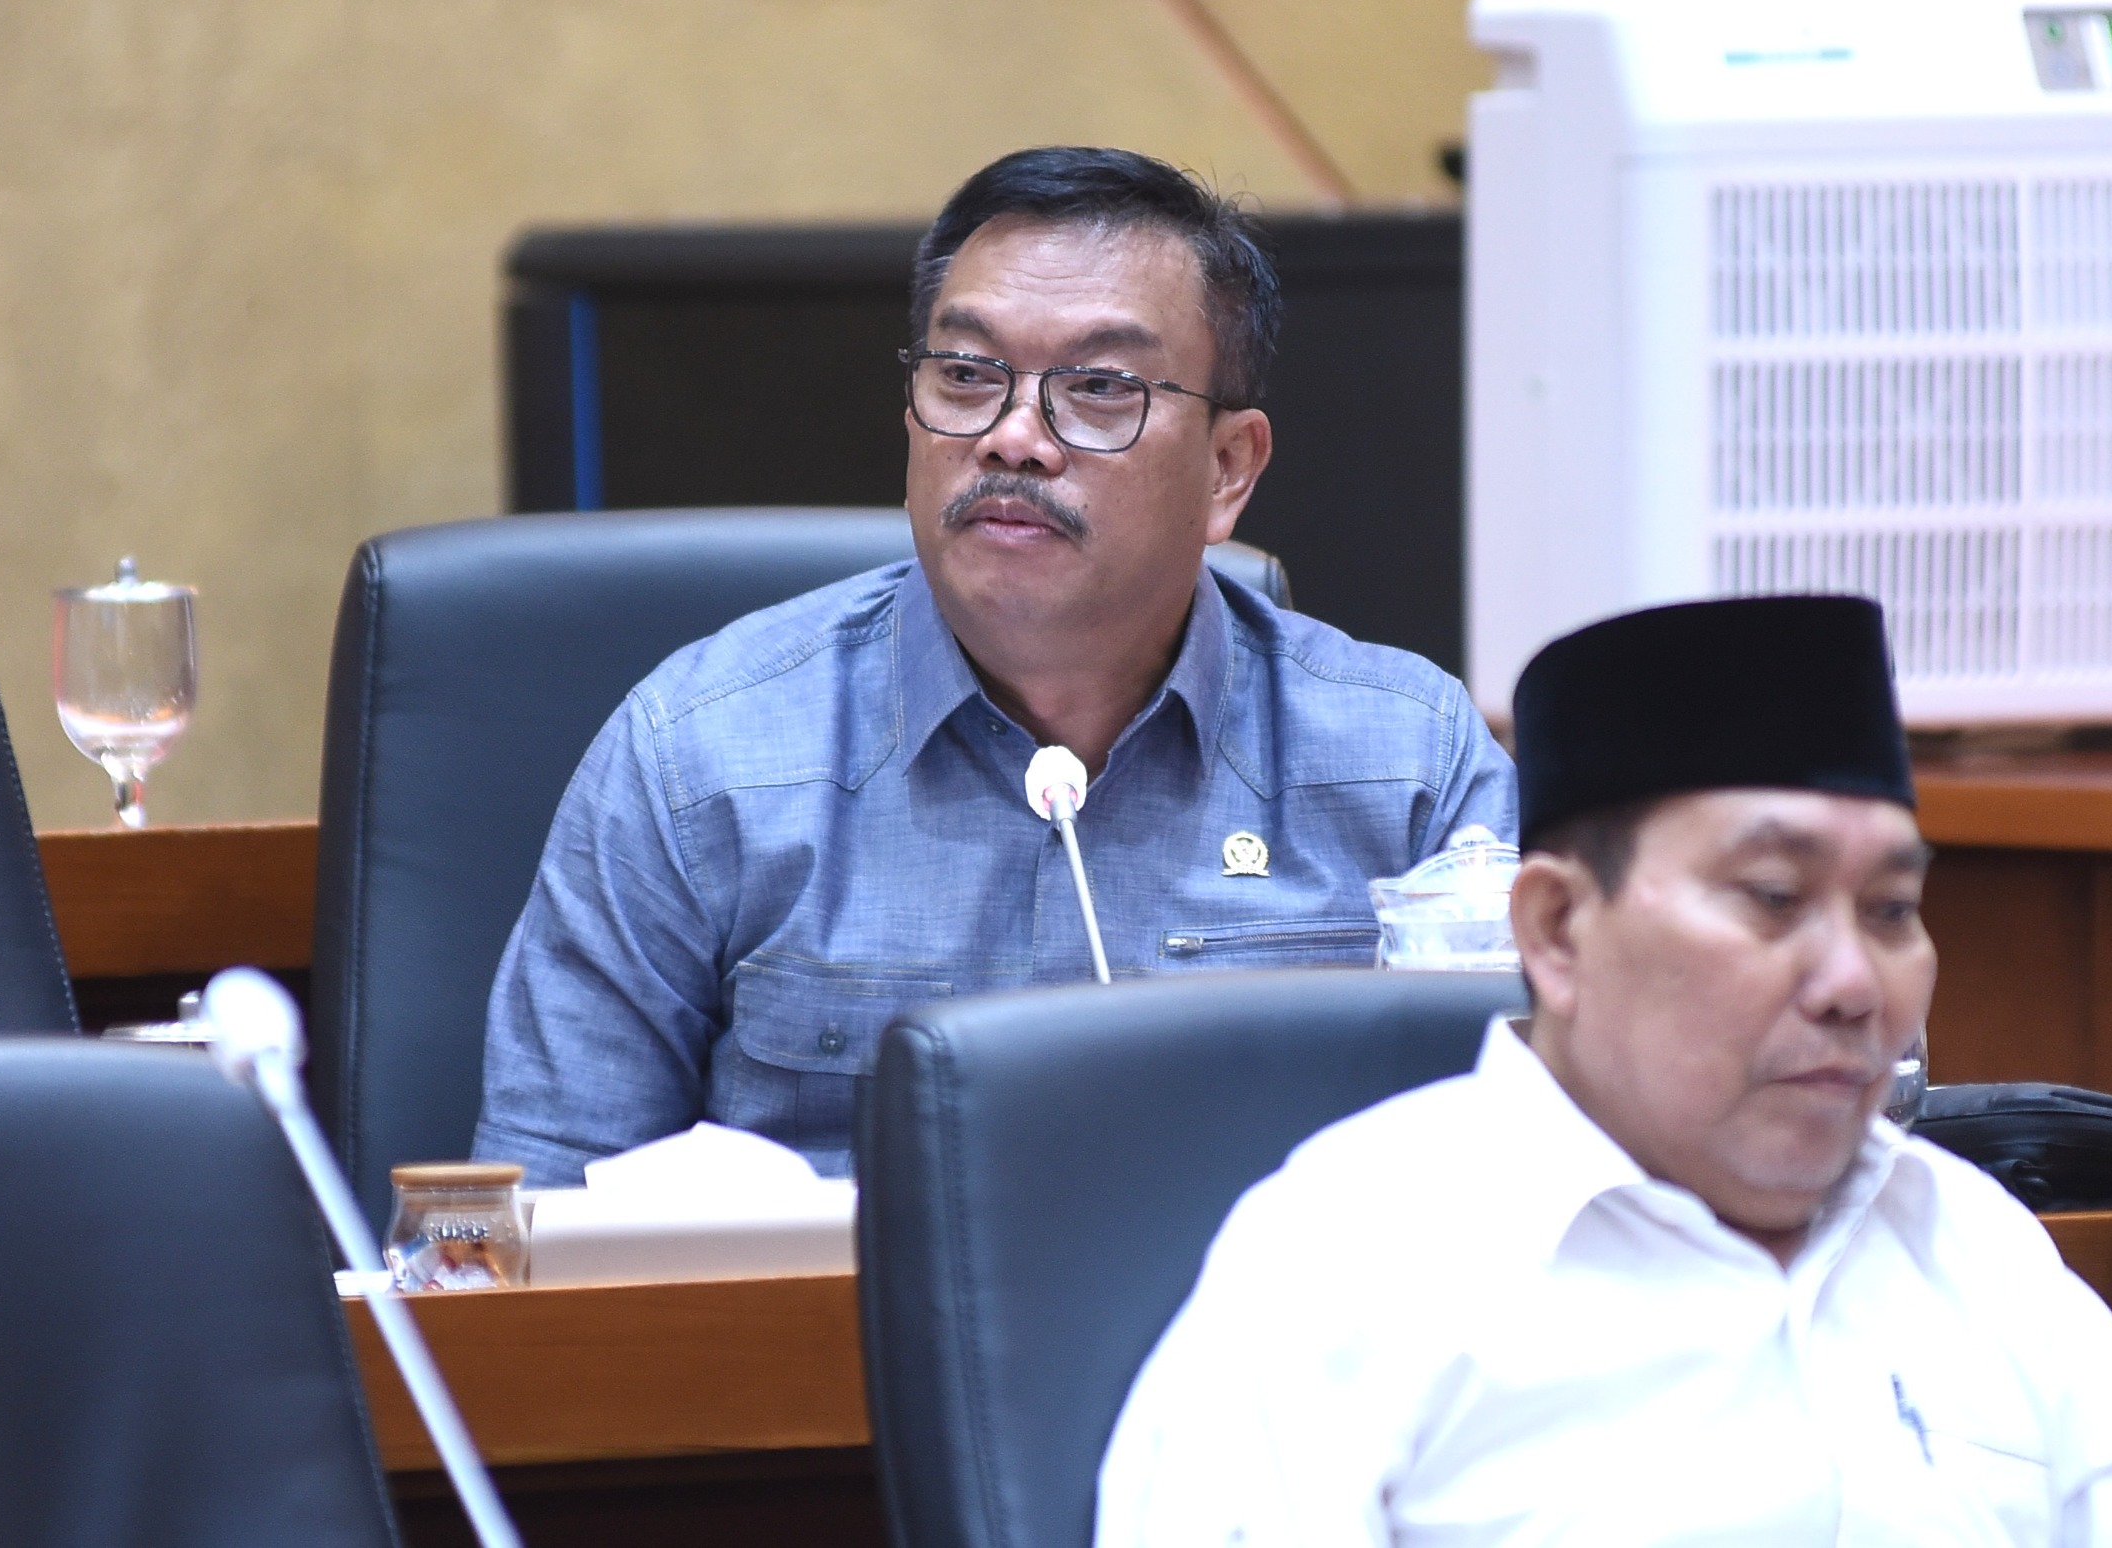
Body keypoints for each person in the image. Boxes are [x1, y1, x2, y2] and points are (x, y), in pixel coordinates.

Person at [1097, 595, 2112, 1545]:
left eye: (1892, 907)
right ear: (1554, 929)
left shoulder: (1972, 1247)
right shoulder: (1343, 1264)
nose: (1853, 980)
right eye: (1773, 898)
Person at [474, 146, 1515, 1184]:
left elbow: (1516, 1189)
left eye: (1100, 387)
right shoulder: (698, 759)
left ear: (1226, 468)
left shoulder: (1407, 765)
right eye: (967, 376)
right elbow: (535, 1240)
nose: (1013, 436)